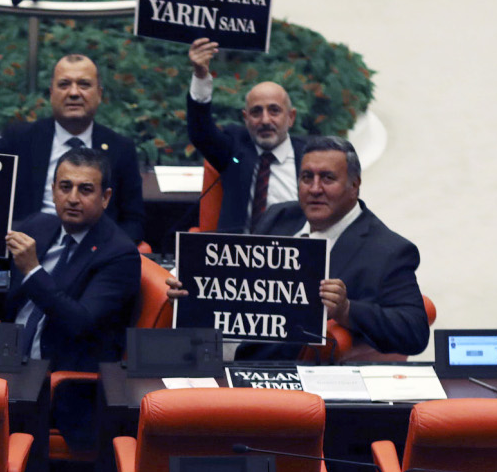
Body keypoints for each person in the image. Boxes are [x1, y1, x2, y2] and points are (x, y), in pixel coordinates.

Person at [173, 136, 430, 358]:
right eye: (307, 177)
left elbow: (414, 332)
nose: (315, 189)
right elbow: (237, 282)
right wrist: (192, 285)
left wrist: (346, 310)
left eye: (327, 178)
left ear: (354, 185)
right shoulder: (279, 217)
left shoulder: (387, 251)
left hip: (280, 374)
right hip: (211, 350)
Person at [2, 147, 141, 447]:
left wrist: (33, 271)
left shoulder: (120, 254)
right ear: (53, 191)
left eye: (86, 189)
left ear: (105, 198)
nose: (73, 198)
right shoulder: (40, 226)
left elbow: (80, 321)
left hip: (64, 384)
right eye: (65, 187)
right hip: (11, 362)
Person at [0, 54, 146, 242]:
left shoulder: (121, 148)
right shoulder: (20, 139)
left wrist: (106, 252)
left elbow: (134, 221)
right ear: (51, 93)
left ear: (99, 94)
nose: (74, 93)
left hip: (94, 255)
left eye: (84, 84)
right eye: (64, 85)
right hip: (26, 247)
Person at [184, 38, 308, 235]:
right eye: (256, 112)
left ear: (290, 117)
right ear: (246, 118)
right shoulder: (235, 149)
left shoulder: (309, 156)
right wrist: (200, 75)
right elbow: (201, 132)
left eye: (274, 111)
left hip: (293, 255)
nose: (265, 120)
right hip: (236, 256)